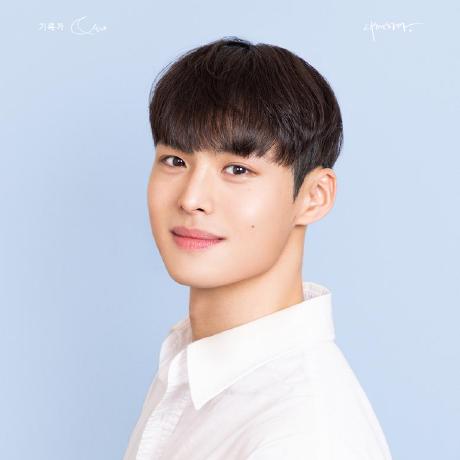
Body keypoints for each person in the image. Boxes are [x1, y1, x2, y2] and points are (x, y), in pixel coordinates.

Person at [122, 36, 393, 459]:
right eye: (175, 161)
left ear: (313, 196)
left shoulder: (304, 438)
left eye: (237, 169)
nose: (191, 198)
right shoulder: (190, 365)